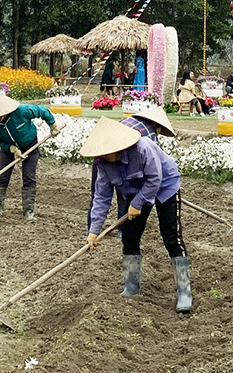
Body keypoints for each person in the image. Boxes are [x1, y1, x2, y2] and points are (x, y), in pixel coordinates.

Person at [80, 117, 192, 313]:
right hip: (133, 190)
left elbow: (155, 179)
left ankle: (184, 291)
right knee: (130, 237)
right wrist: (93, 230)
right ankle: (131, 286)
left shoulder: (142, 149)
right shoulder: (102, 164)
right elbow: (102, 197)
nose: (104, 155)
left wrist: (138, 203)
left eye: (107, 151)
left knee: (171, 236)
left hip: (165, 185)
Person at [0, 91, 56, 219]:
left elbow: (43, 111)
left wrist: (53, 125)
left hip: (30, 144)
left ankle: (28, 213)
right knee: (2, 177)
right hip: (9, 149)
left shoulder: (21, 111)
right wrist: (11, 148)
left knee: (29, 177)